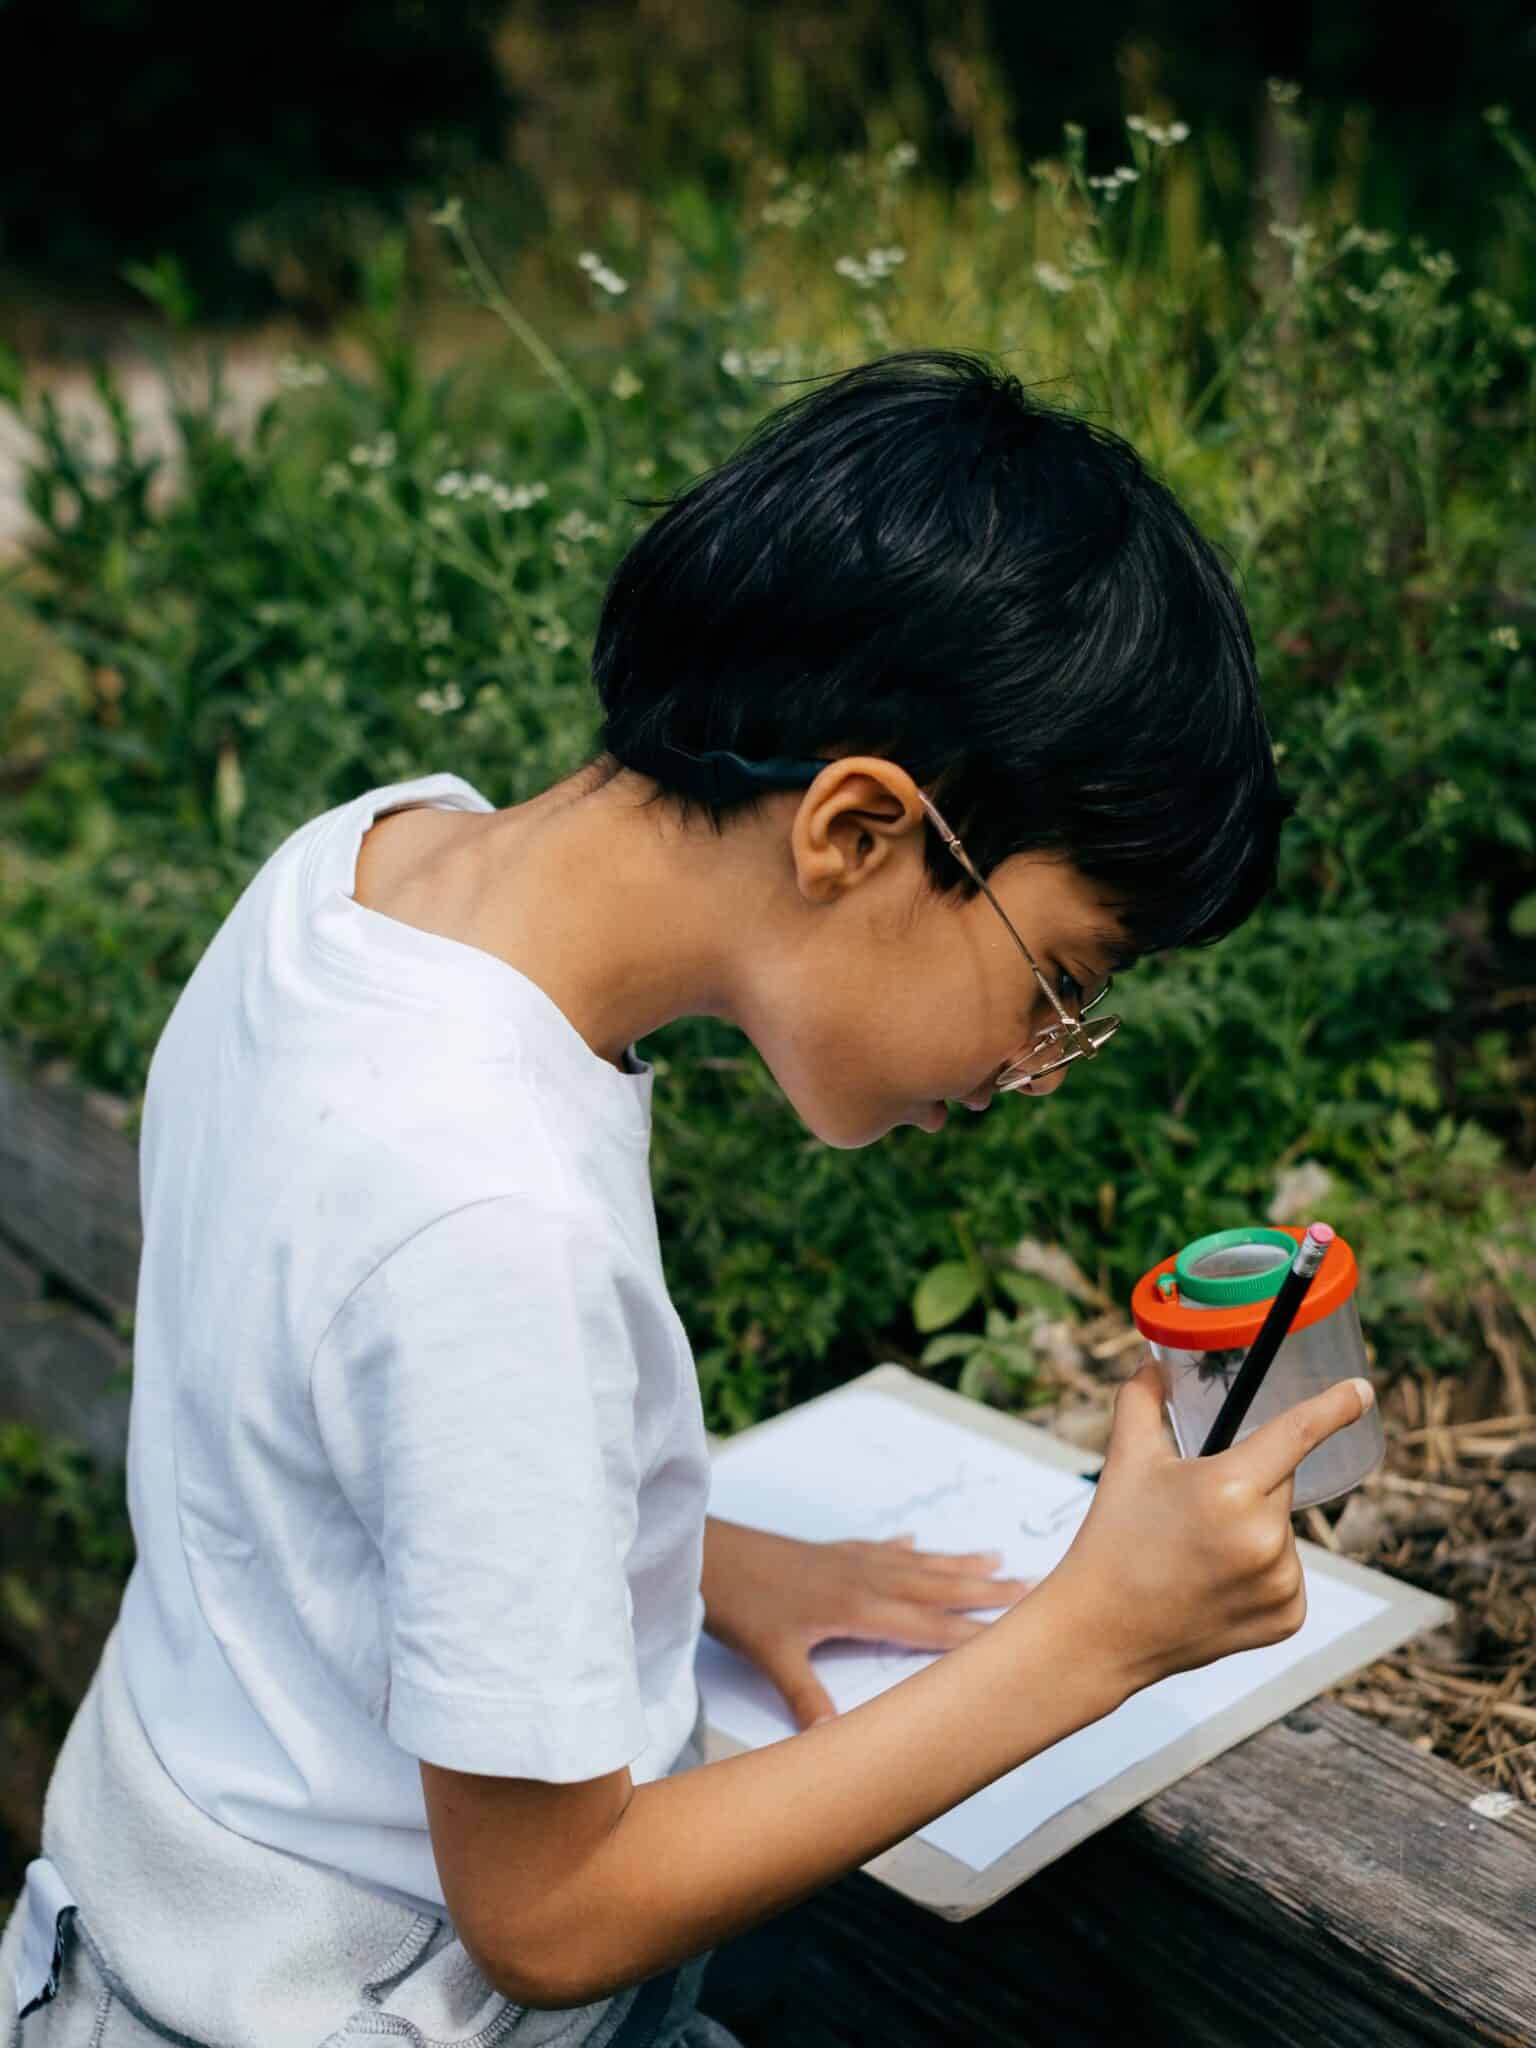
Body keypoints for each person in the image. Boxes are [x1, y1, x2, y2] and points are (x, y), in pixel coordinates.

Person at [2, 350, 1372, 2046]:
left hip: (138, 1940)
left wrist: (681, 1553)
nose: (1042, 1059)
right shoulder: (488, 1219)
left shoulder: (364, 872)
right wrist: (1092, 1639)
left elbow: (316, 1424)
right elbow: (557, 1913)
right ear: (859, 830)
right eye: (1057, 981)